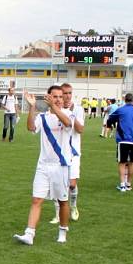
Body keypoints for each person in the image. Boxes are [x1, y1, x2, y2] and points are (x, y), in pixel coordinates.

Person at [13, 86, 72, 245]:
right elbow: (31, 127)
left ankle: (63, 231)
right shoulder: (43, 117)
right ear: (48, 97)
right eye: (55, 96)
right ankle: (29, 234)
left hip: (61, 165)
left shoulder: (67, 113)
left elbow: (67, 123)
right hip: (43, 165)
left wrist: (54, 107)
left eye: (61, 96)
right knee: (36, 200)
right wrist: (32, 107)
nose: (59, 99)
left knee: (62, 201)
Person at [50, 83, 85, 224]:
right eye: (64, 93)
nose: (67, 96)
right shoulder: (54, 109)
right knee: (57, 183)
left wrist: (70, 114)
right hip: (58, 153)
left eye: (69, 93)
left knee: (71, 184)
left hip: (73, 152)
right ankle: (58, 214)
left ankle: (74, 206)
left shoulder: (78, 109)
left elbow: (80, 129)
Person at [107, 93, 133, 192]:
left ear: (125, 100)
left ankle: (122, 185)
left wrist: (111, 125)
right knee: (132, 163)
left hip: (123, 140)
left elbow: (110, 119)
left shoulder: (121, 110)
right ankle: (128, 184)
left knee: (122, 162)